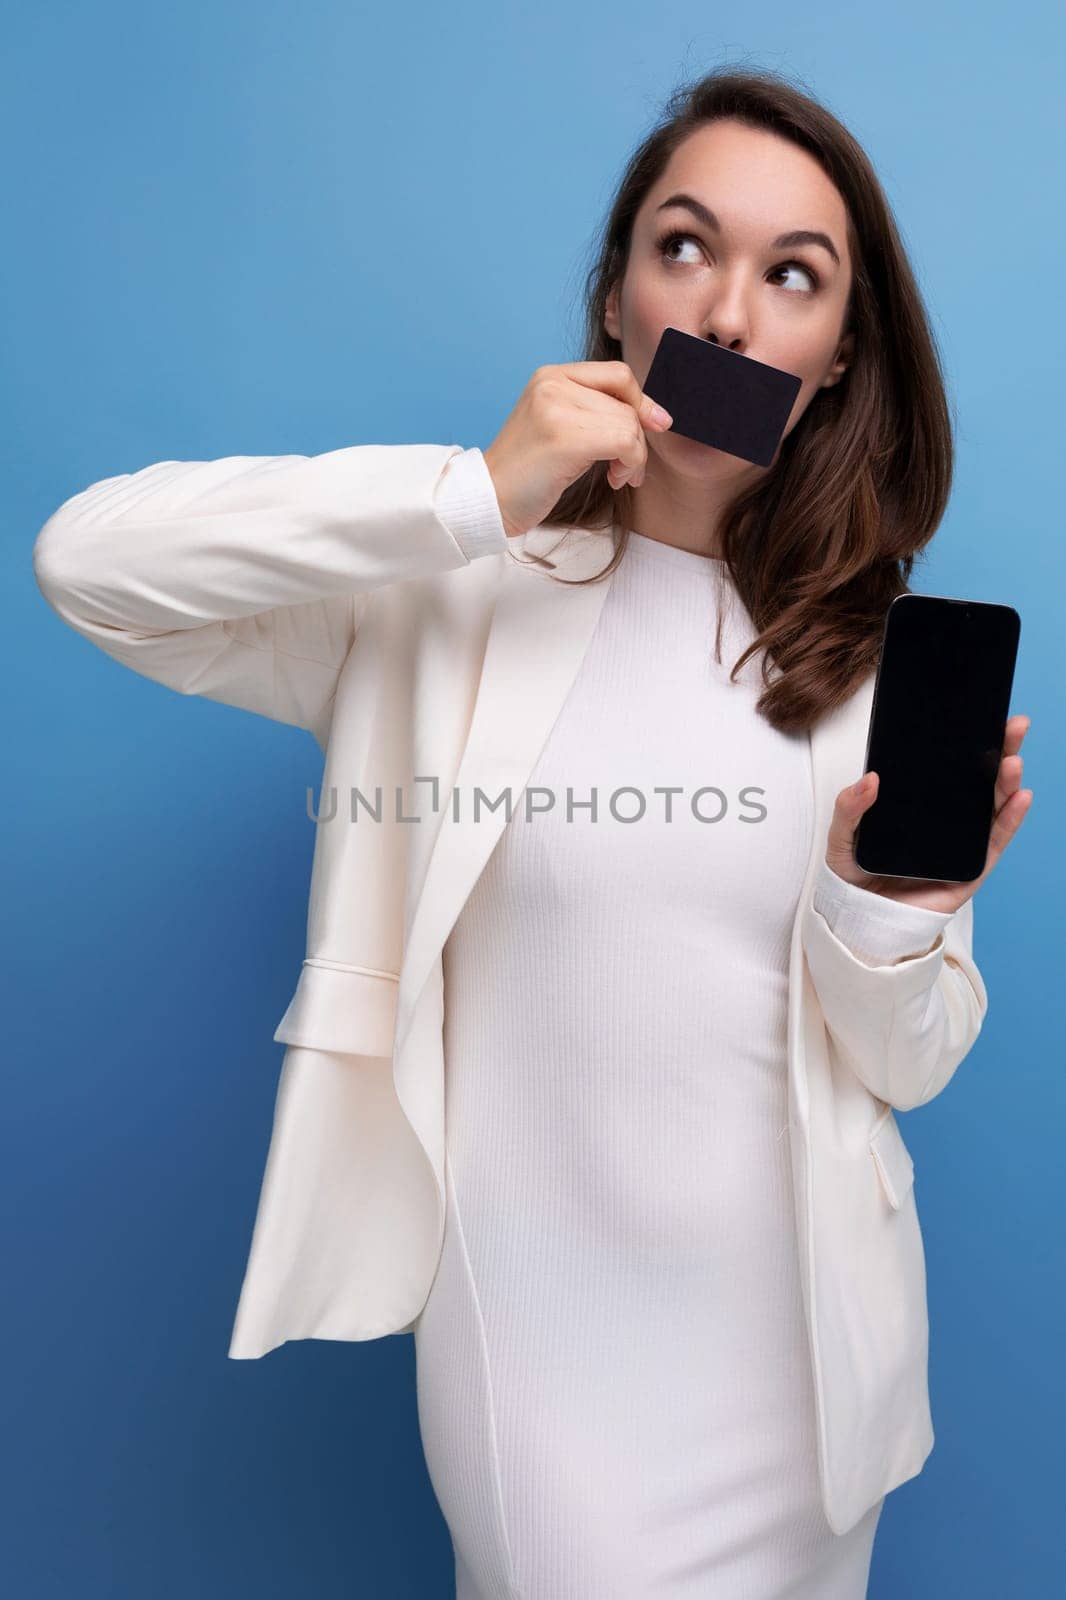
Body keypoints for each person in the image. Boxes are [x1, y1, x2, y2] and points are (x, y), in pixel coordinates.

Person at [33, 64, 1030, 1600]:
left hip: (815, 1369)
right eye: (682, 247)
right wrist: (474, 494)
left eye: (791, 276)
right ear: (619, 294)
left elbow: (907, 1063)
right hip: (550, 1366)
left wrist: (881, 914)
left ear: (835, 356)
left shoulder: (876, 665)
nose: (729, 314)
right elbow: (87, 564)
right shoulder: (449, 588)